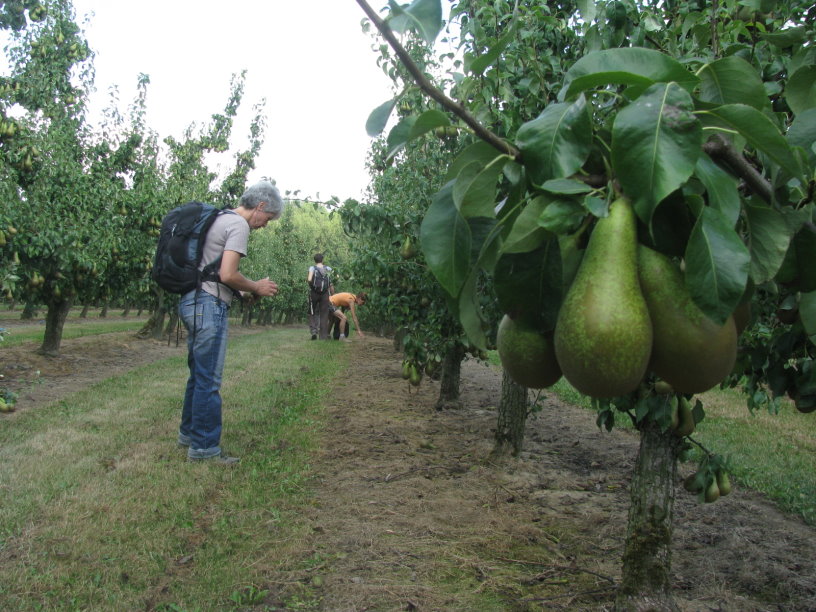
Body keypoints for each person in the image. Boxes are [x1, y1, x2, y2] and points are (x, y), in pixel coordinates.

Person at [177, 181, 283, 464]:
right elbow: (227, 274)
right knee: (209, 379)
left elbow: (214, 272)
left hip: (191, 301)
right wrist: (257, 286)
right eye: (268, 218)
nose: (265, 225)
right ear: (260, 206)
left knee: (198, 374)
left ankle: (188, 435)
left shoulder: (219, 217)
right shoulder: (238, 225)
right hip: (209, 305)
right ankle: (203, 449)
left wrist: (244, 290)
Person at [307, 253, 332, 340]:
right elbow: (330, 283)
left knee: (312, 311)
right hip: (325, 294)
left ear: (315, 260)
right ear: (322, 260)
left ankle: (314, 331)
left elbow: (309, 279)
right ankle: (323, 336)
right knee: (324, 314)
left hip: (314, 292)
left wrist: (312, 286)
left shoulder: (312, 268)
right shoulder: (328, 269)